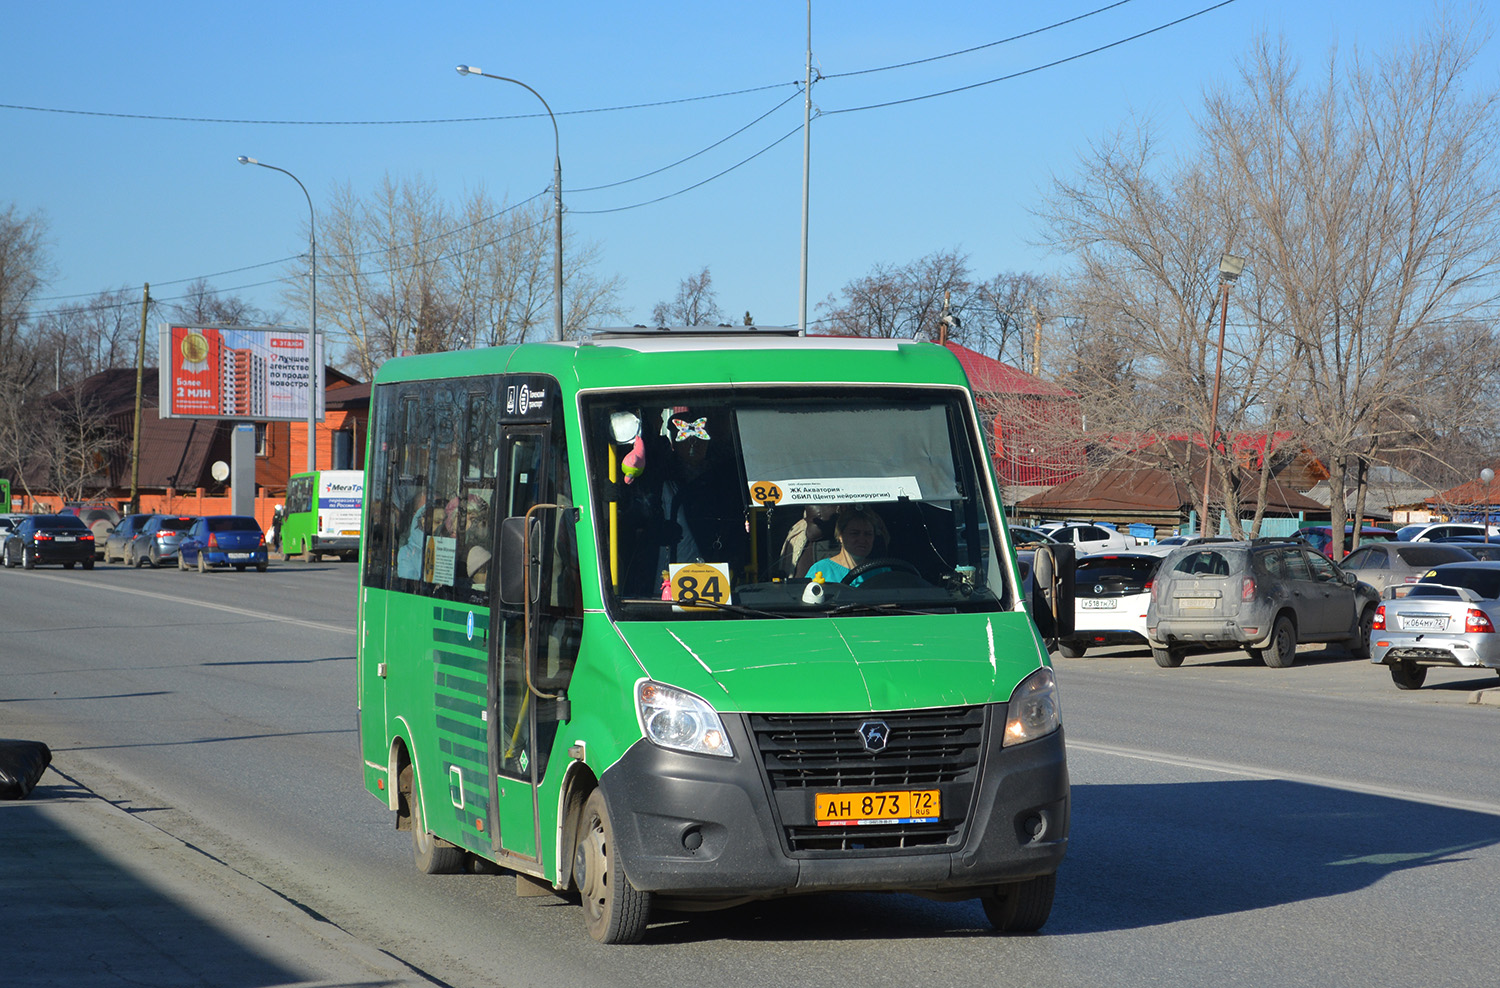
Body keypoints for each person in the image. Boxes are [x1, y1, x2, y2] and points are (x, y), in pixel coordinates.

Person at [805, 507, 888, 585]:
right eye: (854, 533)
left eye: (868, 534)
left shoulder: (882, 571)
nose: (862, 540)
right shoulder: (821, 570)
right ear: (840, 536)